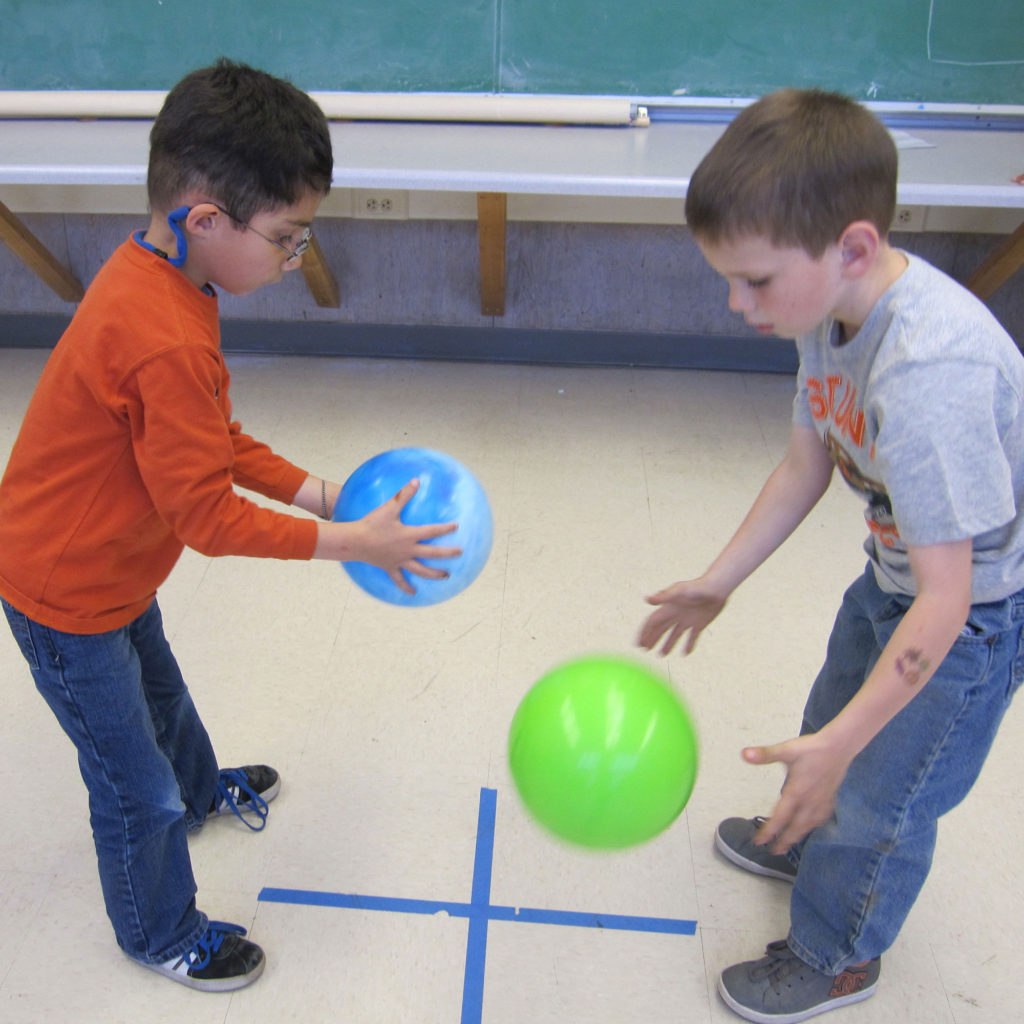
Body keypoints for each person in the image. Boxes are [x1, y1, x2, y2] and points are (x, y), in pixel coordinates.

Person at [0, 59, 460, 993]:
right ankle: (160, 931)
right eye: (289, 237)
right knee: (135, 788)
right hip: (62, 596)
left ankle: (207, 790)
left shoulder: (169, 282)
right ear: (205, 221)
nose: (296, 257)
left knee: (160, 693)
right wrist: (353, 545)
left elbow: (214, 437)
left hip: (114, 571)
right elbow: (206, 516)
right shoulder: (160, 331)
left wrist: (323, 493)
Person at [638, 88, 1024, 1022]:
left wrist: (844, 750)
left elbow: (947, 604)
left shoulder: (932, 372)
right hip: (894, 578)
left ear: (852, 246)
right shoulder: (826, 311)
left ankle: (837, 956)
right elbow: (808, 459)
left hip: (967, 621)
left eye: (756, 281)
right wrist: (716, 583)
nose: (737, 304)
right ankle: (808, 824)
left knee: (880, 797)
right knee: (827, 719)